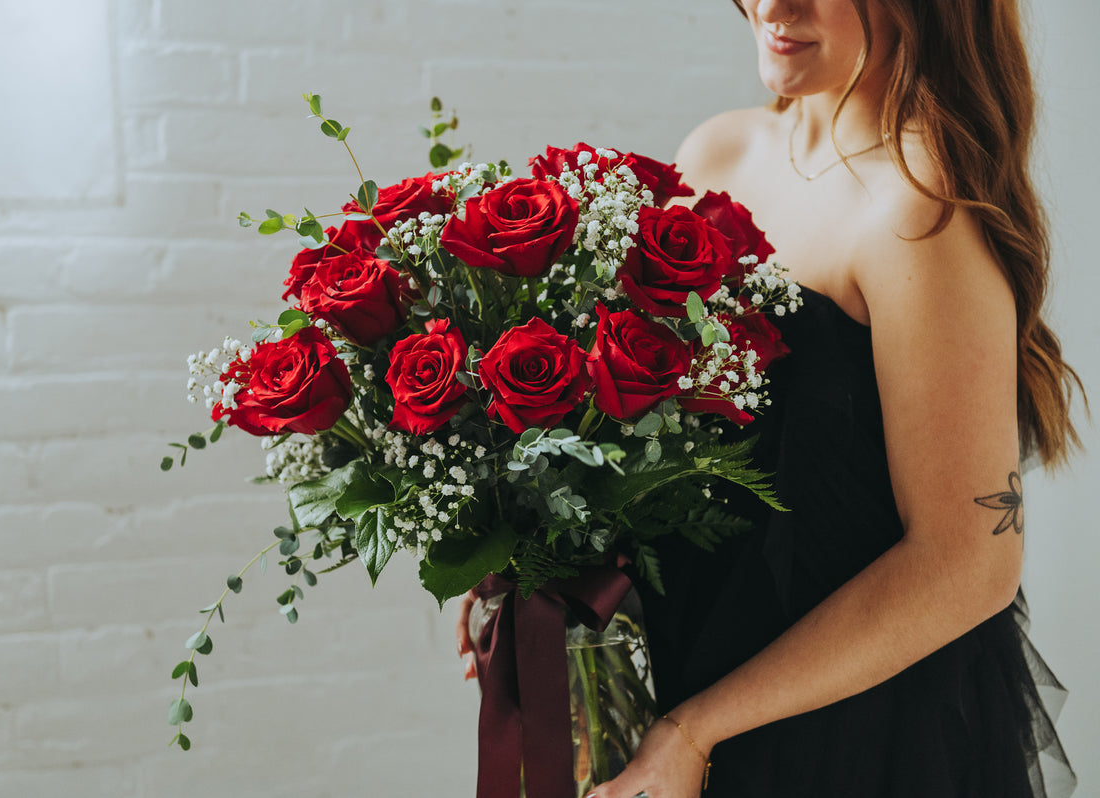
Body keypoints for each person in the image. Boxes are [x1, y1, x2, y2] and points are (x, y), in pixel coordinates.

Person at [456, 0, 1086, 796]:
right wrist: (540, 576)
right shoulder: (717, 152)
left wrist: (700, 730)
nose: (774, 6)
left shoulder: (918, 214)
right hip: (690, 674)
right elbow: (662, 448)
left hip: (850, 730)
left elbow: (969, 564)